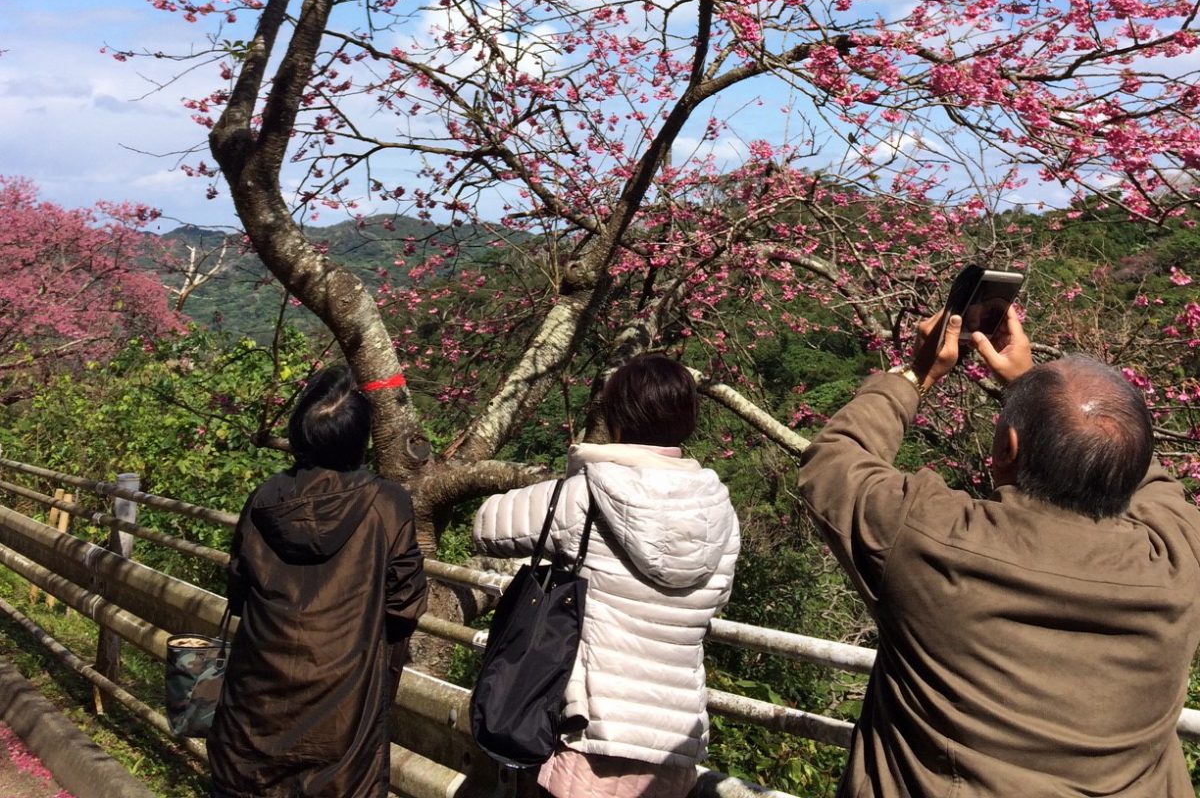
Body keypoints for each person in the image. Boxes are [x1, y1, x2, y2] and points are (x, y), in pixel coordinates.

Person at [795, 302, 1200, 798]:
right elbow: (1142, 471)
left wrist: (917, 373)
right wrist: (1037, 390)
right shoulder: (1181, 560)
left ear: (1006, 448)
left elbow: (834, 461)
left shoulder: (927, 536)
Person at [473, 354, 740, 797]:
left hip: (590, 732)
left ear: (617, 419)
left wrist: (579, 470)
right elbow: (718, 598)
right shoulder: (721, 512)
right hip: (672, 744)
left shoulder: (585, 495)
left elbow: (487, 525)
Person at [208, 367, 427, 798]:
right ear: (360, 438)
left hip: (257, 701)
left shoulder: (266, 497)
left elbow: (238, 586)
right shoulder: (387, 504)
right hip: (345, 707)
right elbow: (405, 602)